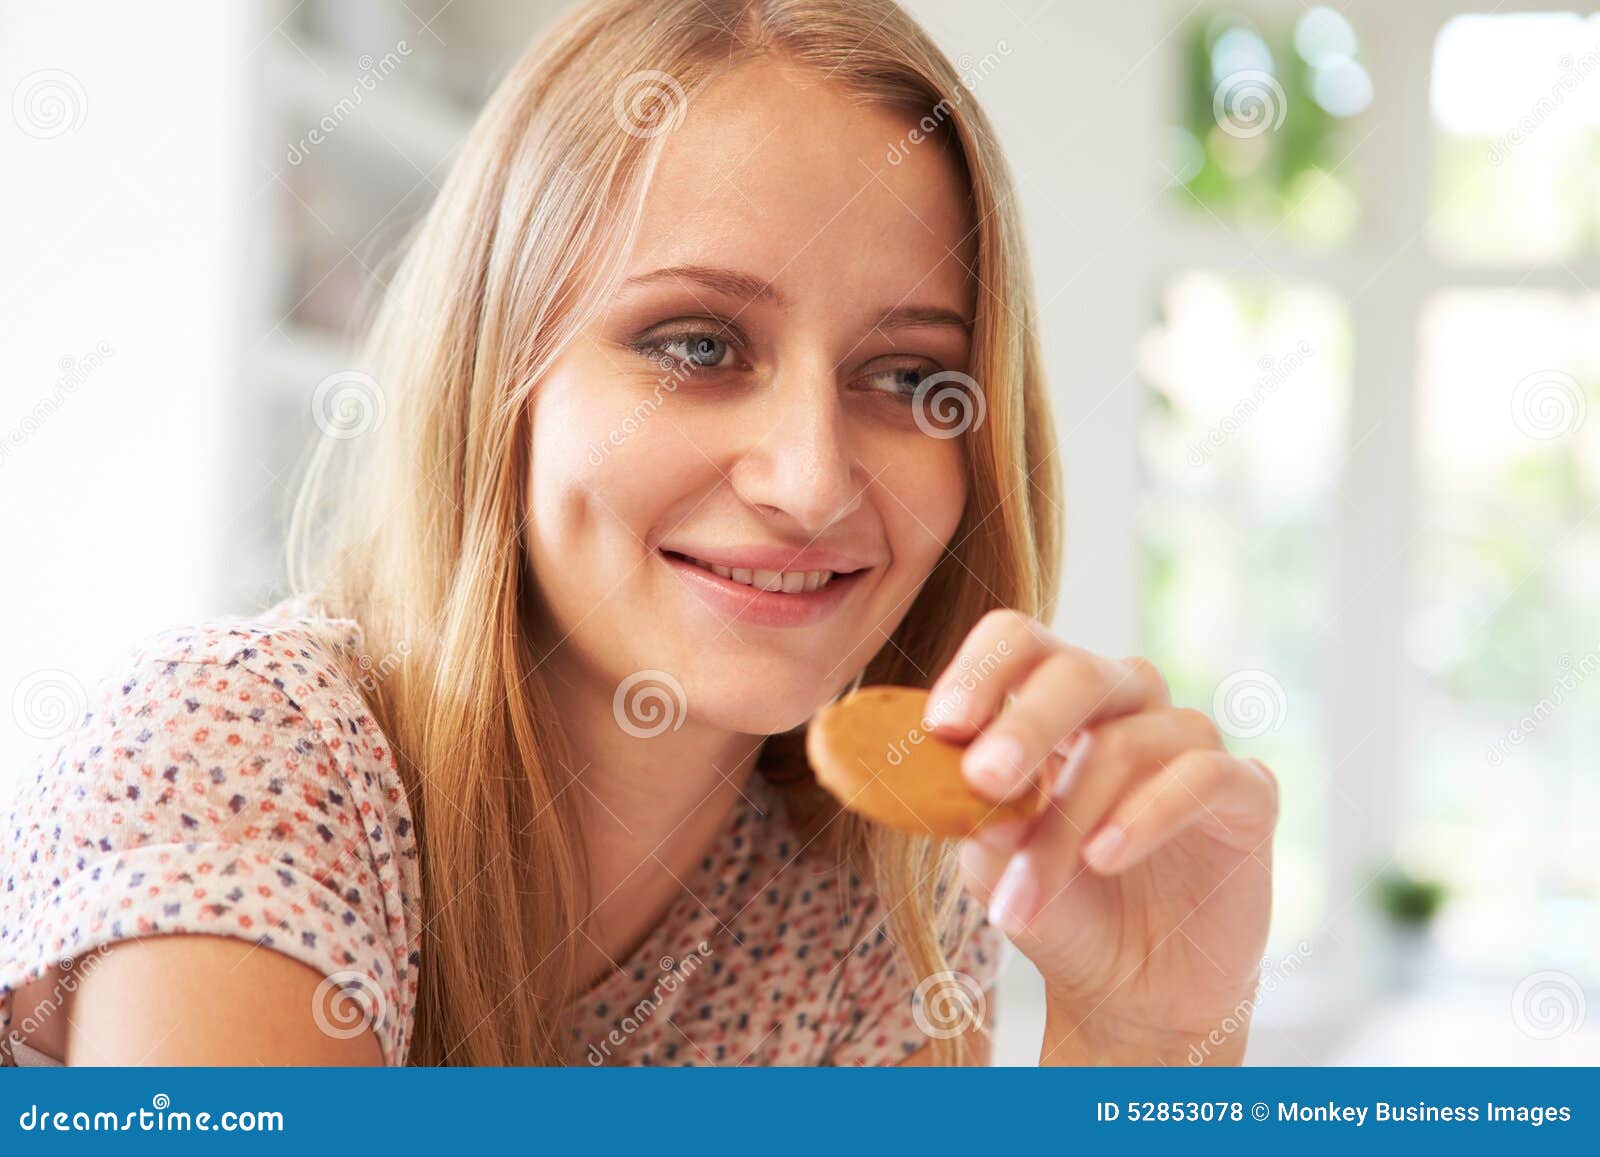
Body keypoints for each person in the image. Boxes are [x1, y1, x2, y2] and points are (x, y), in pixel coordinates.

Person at [0, 0, 1277, 1067]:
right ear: (500, 376)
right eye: (697, 345)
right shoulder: (246, 758)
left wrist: (1142, 1033)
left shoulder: (878, 899)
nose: (810, 480)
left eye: (904, 376)